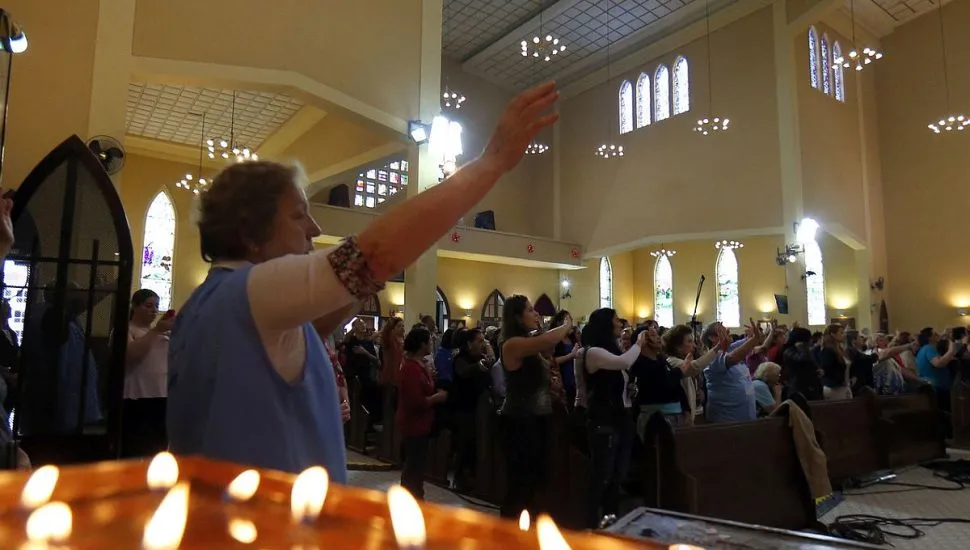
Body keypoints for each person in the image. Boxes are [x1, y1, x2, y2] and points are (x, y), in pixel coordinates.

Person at [166, 81, 561, 479]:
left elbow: (339, 302)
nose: (315, 227)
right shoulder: (252, 295)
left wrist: (369, 278)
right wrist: (492, 161)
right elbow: (368, 257)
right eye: (299, 215)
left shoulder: (210, 305)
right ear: (250, 233)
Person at [498, 295, 572, 518]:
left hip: (537, 418)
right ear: (517, 317)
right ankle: (509, 536)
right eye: (530, 310)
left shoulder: (528, 343)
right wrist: (567, 324)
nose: (536, 314)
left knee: (536, 481)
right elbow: (548, 341)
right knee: (520, 483)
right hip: (519, 421)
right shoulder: (512, 344)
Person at [576, 308, 642, 528]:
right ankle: (589, 527)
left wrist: (629, 390)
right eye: (616, 321)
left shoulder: (610, 350)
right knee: (601, 478)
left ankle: (611, 524)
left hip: (619, 418)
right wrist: (639, 342)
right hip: (603, 421)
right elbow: (624, 362)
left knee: (616, 478)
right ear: (606, 325)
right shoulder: (592, 352)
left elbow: (618, 376)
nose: (620, 324)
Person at [397, 327, 446, 499]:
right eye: (429, 340)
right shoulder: (411, 368)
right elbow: (414, 402)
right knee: (413, 467)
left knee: (416, 466)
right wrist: (437, 397)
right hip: (413, 424)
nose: (432, 343)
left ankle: (415, 496)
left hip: (422, 424)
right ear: (422, 344)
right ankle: (411, 500)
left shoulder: (420, 364)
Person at [123, 289, 173, 457]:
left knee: (157, 449)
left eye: (156, 306)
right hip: (137, 397)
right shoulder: (127, 329)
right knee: (136, 448)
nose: (154, 310)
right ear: (135, 307)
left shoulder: (163, 333)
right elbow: (131, 355)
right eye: (148, 305)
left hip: (162, 395)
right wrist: (156, 331)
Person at [701, 320, 763, 423]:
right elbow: (734, 357)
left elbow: (752, 342)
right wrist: (754, 339)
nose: (728, 331)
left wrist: (755, 335)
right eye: (723, 331)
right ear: (712, 338)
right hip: (727, 419)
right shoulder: (711, 357)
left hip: (745, 417)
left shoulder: (730, 348)